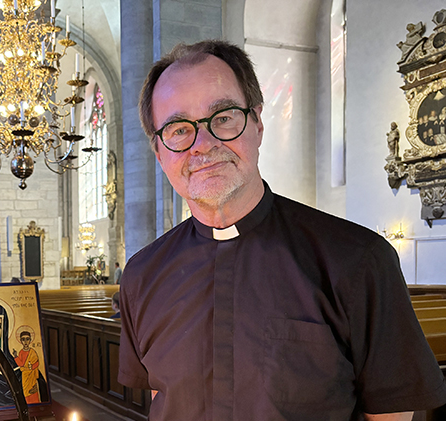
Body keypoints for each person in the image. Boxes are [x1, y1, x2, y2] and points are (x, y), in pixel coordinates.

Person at [118, 40, 446, 420]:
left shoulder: (358, 260)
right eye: (177, 129)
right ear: (160, 152)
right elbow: (164, 395)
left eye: (223, 117)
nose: (202, 145)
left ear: (257, 123)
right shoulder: (142, 275)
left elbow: (390, 414)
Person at [12, 330, 44, 404]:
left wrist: (32, 367)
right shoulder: (21, 352)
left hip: (31, 376)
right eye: (23, 339)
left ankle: (35, 405)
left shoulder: (32, 352)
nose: (25, 342)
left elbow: (37, 362)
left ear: (30, 340)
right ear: (20, 341)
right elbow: (21, 364)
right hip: (25, 376)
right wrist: (16, 356)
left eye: (27, 339)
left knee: (33, 391)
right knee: (26, 393)